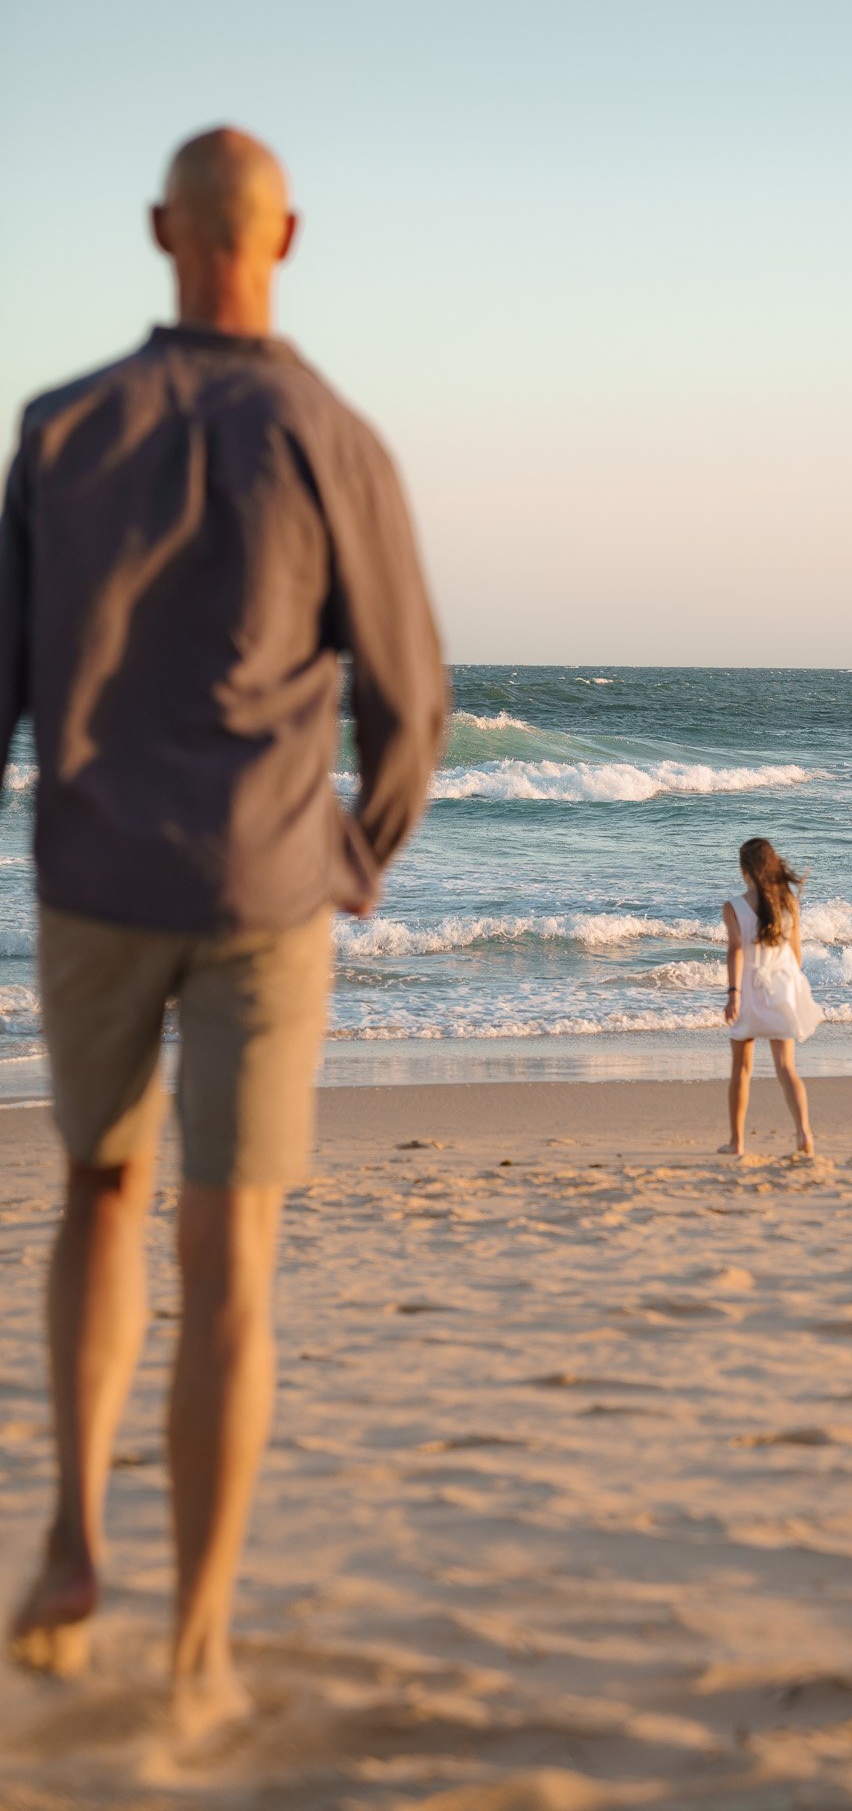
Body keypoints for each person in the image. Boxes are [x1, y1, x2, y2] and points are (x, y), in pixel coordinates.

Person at [1, 128, 448, 1730]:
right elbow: (414, 700)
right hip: (265, 890)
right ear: (289, 237)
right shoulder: (334, 435)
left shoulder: (58, 426)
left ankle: (70, 1542)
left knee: (99, 1197)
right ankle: (197, 1641)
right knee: (229, 1251)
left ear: (155, 232)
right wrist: (356, 854)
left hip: (95, 878)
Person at [722, 837, 820, 1157]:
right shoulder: (789, 904)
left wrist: (734, 993)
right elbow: (798, 957)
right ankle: (804, 1134)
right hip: (780, 990)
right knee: (786, 1067)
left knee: (742, 1069)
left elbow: (736, 951)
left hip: (749, 991)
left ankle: (737, 1142)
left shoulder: (734, 906)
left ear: (745, 870)